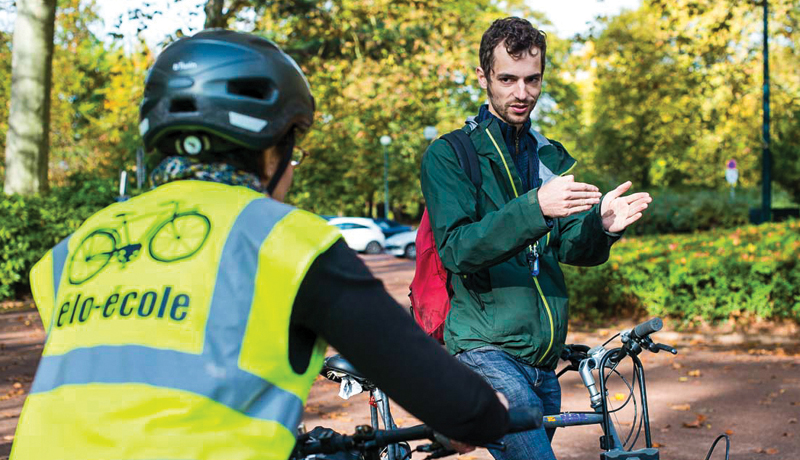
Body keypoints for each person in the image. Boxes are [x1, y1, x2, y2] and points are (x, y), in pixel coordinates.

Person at [10, 30, 510, 459]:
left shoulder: (78, 246)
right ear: (273, 147)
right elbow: (439, 392)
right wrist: (487, 414)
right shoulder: (283, 239)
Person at [420, 17, 652, 460]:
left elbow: (568, 247)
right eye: (507, 79)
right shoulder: (450, 154)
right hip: (485, 350)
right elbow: (457, 249)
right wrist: (536, 207)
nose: (521, 93)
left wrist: (601, 227)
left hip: (544, 360)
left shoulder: (547, 154)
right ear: (483, 77)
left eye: (532, 79)